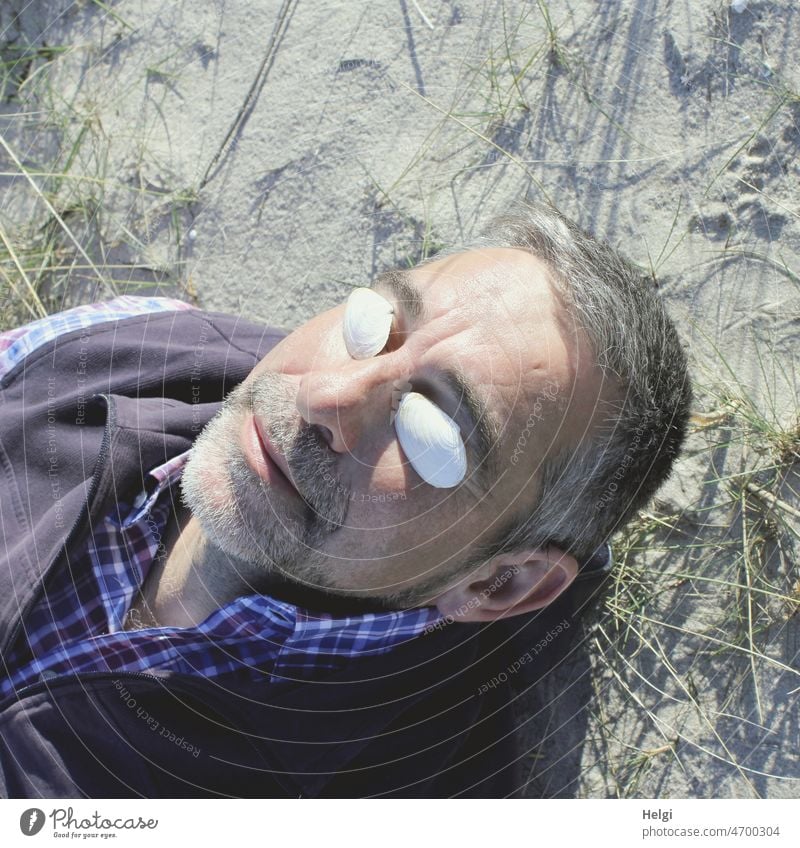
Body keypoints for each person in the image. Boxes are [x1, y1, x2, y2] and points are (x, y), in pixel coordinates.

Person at [0, 201, 692, 797]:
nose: (326, 394)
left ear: (500, 583)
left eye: (435, 430)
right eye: (377, 323)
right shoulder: (120, 342)